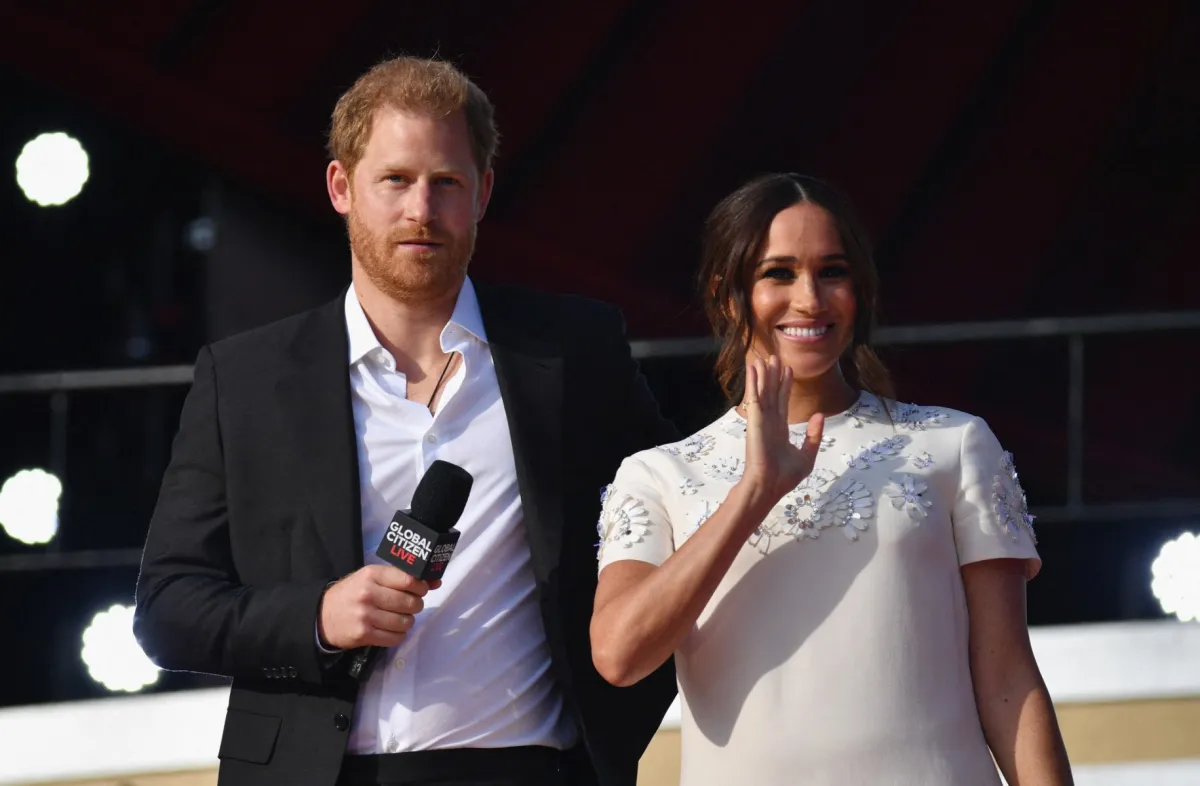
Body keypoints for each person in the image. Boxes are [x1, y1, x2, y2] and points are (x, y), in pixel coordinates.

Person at [134, 56, 678, 786]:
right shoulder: (245, 380)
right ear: (341, 187)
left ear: (482, 193)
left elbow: (675, 523)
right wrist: (319, 618)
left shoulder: (574, 353)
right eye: (395, 180)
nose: (421, 210)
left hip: (533, 770)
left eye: (446, 183)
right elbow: (168, 609)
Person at [589, 173, 1074, 785]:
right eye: (779, 273)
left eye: (833, 271)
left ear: (860, 289)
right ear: (728, 294)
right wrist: (755, 492)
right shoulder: (658, 474)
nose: (810, 298)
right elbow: (619, 656)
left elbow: (1008, 677)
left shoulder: (952, 445)